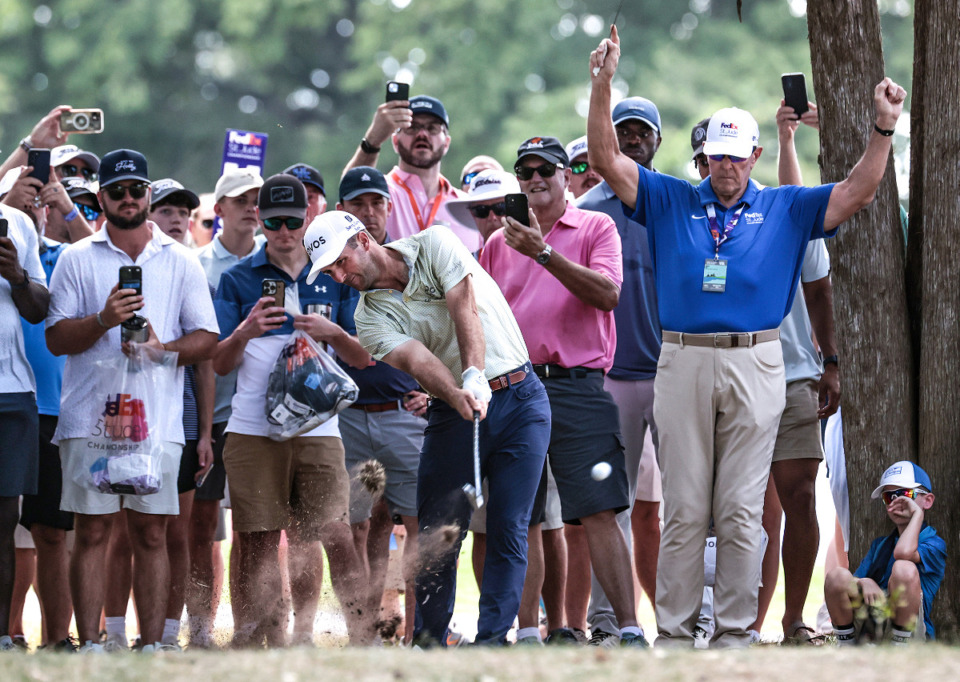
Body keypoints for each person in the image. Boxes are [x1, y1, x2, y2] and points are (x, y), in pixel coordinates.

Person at [588, 25, 906, 647]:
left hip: (757, 360)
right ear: (701, 156)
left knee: (740, 510)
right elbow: (605, 158)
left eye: (737, 156)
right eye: (716, 156)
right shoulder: (672, 197)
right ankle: (677, 636)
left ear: (755, 155)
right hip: (680, 359)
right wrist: (602, 84)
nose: (726, 167)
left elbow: (857, 191)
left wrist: (882, 129)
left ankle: (735, 635)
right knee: (683, 508)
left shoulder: (784, 207)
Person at [303, 211, 551, 646]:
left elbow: (464, 305)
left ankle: (493, 641)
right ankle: (429, 644)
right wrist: (459, 395)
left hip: (520, 398)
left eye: (341, 262)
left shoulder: (435, 242)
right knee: (439, 533)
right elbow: (418, 361)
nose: (340, 276)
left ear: (363, 240)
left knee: (509, 525)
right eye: (330, 272)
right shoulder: (368, 320)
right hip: (450, 411)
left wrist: (474, 373)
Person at [45, 148, 219, 652]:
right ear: (101, 198)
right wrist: (102, 319)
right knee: (93, 533)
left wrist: (162, 350)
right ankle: (94, 642)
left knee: (151, 534)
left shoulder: (181, 260)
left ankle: (152, 644)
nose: (127, 198)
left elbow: (207, 339)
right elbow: (57, 339)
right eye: (116, 191)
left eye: (135, 190)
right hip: (88, 419)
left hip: (155, 422)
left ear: (148, 194)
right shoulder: (78, 259)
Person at [480, 136, 646, 648]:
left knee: (598, 509)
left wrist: (544, 253)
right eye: (524, 171)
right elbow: (480, 319)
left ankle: (630, 628)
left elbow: (608, 294)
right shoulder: (495, 245)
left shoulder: (597, 227)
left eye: (544, 169)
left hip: (577, 385)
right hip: (515, 387)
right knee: (520, 513)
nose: (534, 179)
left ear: (564, 174)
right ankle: (528, 630)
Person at [212, 174, 371, 647]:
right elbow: (219, 362)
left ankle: (364, 636)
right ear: (259, 218)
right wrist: (245, 330)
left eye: (293, 222)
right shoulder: (237, 277)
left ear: (310, 219)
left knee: (335, 534)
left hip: (322, 427)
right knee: (257, 537)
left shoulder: (334, 273)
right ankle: (259, 638)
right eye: (274, 222)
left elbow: (365, 357)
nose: (284, 232)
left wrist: (334, 333)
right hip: (251, 427)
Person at [573, 96, 664, 645]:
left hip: (674, 368)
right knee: (613, 506)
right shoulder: (586, 210)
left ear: (657, 139)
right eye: (622, 131)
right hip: (610, 374)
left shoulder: (676, 201)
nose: (632, 139)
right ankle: (608, 623)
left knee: (688, 505)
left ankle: (685, 620)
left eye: (641, 131)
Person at [750, 102, 841, 644]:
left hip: (794, 377)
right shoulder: (708, 224)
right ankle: (743, 620)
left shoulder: (787, 217)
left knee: (799, 497)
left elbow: (820, 289)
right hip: (736, 372)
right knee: (738, 504)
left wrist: (829, 362)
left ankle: (793, 618)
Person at [335, 166, 428, 644]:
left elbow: (440, 331)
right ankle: (362, 634)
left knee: (412, 526)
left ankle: (416, 632)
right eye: (358, 204)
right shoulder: (335, 265)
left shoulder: (409, 262)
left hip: (403, 413)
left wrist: (431, 390)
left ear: (390, 208)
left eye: (377, 203)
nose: (369, 212)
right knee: (356, 527)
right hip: (348, 416)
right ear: (342, 211)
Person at [192, 168, 264, 646]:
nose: (252, 207)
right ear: (219, 210)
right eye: (241, 199)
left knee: (253, 529)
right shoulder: (196, 265)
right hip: (213, 414)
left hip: (260, 413)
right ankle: (198, 627)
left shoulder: (273, 262)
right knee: (200, 525)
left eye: (258, 198)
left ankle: (248, 628)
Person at [824, 461, 946, 644]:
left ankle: (900, 647)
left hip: (910, 629)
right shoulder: (880, 545)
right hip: (872, 622)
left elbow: (904, 554)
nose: (897, 502)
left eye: (905, 494)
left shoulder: (934, 543)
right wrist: (864, 581)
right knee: (836, 576)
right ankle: (846, 644)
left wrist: (917, 515)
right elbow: (850, 580)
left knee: (903, 568)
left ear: (927, 500)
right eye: (889, 497)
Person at [0, 203, 49, 653]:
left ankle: (2, 635)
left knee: (4, 518)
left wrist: (16, 275)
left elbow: (39, 309)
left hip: (11, 392)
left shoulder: (18, 222)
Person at [344, 94, 479, 251]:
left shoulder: (471, 207)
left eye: (433, 128)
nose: (422, 134)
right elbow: (349, 190)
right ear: (394, 141)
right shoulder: (379, 196)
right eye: (411, 127)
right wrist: (373, 140)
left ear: (447, 143)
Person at [445, 169, 521, 246]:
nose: (492, 217)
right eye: (481, 210)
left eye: (501, 207)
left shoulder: (532, 255)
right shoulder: (466, 258)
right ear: (472, 214)